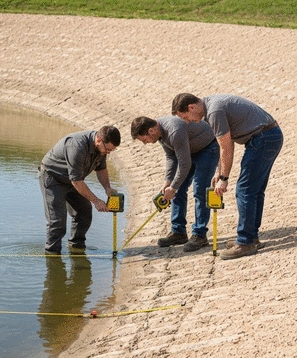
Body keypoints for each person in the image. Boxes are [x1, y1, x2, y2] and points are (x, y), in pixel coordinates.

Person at [172, 93, 283, 260]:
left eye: (185, 117)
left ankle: (246, 242)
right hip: (268, 136)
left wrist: (224, 179)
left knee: (244, 190)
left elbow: (226, 148)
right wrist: (220, 172)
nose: (187, 121)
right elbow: (225, 143)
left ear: (191, 107)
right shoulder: (211, 106)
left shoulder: (214, 111)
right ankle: (251, 237)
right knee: (255, 190)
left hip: (263, 139)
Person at [131, 115, 219, 252]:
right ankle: (179, 232)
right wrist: (168, 182)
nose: (145, 143)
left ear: (151, 131)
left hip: (207, 149)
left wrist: (173, 187)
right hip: (189, 151)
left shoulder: (174, 131)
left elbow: (184, 164)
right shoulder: (159, 133)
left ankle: (200, 235)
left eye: (144, 139)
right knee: (176, 189)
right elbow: (171, 157)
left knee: (199, 191)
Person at [39, 125, 121, 255]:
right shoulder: (77, 146)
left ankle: (76, 247)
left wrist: (107, 188)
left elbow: (101, 169)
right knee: (57, 221)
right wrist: (96, 201)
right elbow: (77, 181)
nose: (108, 152)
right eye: (108, 149)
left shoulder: (101, 148)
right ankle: (52, 254)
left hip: (72, 180)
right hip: (53, 178)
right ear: (99, 139)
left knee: (84, 211)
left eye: (112, 150)